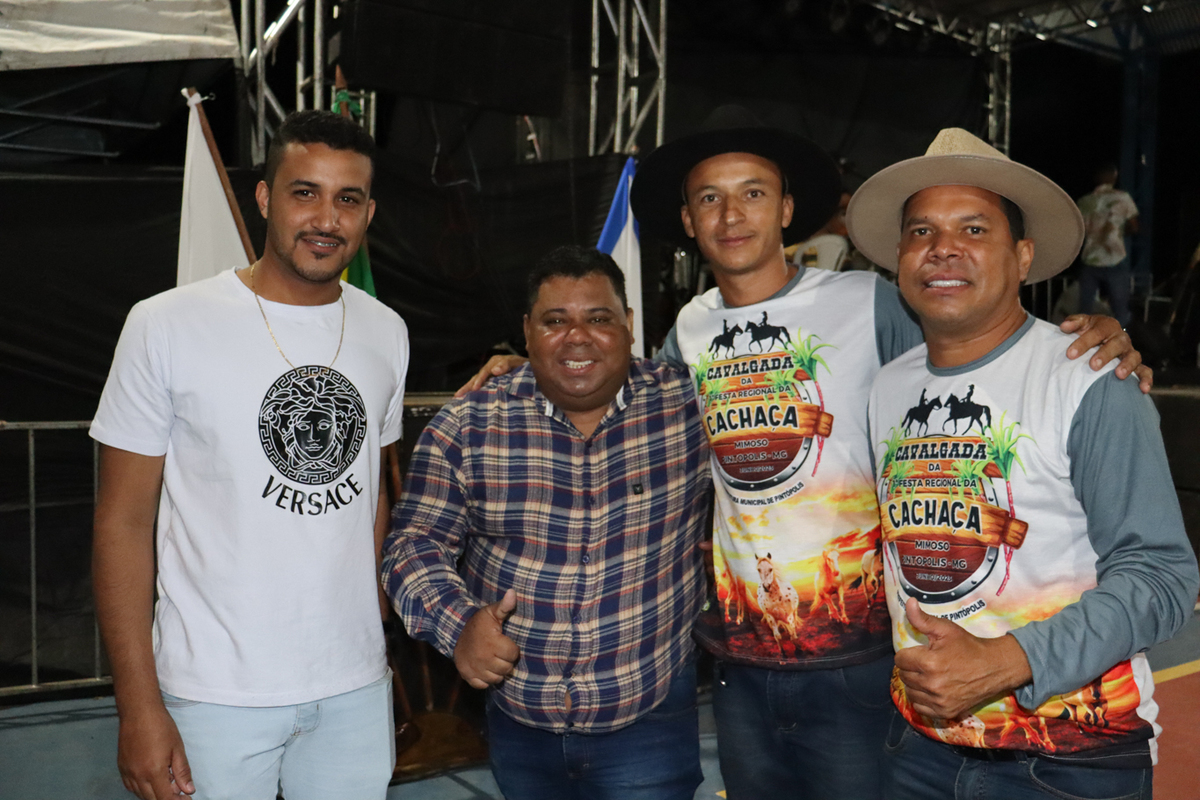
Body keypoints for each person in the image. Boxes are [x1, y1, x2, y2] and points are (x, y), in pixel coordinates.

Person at [458, 107, 1147, 800]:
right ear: (689, 220)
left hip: (861, 659)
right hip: (739, 660)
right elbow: (621, 395)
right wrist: (529, 369)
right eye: (710, 198)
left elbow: (973, 352)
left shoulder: (870, 301)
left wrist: (1087, 344)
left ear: (787, 210)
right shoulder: (691, 328)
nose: (732, 214)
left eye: (753, 192)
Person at [850, 127, 1199, 799]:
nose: (943, 247)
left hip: (1069, 760)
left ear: (1023, 256)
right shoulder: (887, 387)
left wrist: (1009, 660)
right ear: (900, 258)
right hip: (917, 749)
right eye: (921, 231)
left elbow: (1162, 577)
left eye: (974, 229)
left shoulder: (1089, 378)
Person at [91, 110, 408, 800]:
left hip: (353, 690)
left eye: (347, 199)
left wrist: (372, 628)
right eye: (305, 192)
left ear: (368, 214)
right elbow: (121, 522)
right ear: (265, 197)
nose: (326, 218)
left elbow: (372, 492)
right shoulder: (164, 324)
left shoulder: (387, 330)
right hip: (212, 694)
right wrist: (137, 706)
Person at [383, 246, 712, 799]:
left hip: (649, 717)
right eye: (555, 321)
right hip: (520, 723)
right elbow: (413, 544)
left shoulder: (691, 407)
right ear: (527, 332)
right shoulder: (469, 426)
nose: (577, 337)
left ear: (630, 325)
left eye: (598, 318)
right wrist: (459, 625)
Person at [1077, 163, 1139, 326]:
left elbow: (1078, 230)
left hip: (1090, 258)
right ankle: (1122, 338)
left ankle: (1080, 338)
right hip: (1114, 257)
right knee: (1120, 309)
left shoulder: (1084, 201)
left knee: (1084, 309)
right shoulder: (1122, 197)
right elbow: (1134, 227)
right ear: (1114, 176)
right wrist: (1118, 232)